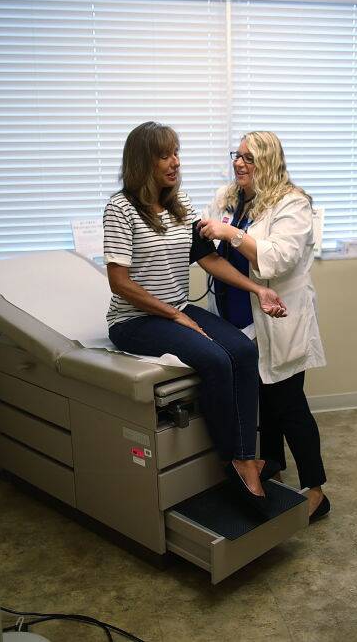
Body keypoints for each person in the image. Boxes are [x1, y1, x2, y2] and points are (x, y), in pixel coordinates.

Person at [104, 121, 287, 513]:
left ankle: (245, 454)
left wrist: (258, 289)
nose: (175, 162)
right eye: (165, 155)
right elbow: (119, 282)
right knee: (217, 358)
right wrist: (175, 315)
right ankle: (237, 461)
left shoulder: (180, 204)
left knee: (243, 350)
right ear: (143, 161)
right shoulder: (120, 209)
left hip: (176, 309)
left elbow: (208, 258)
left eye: (176, 153)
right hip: (134, 321)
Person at [198, 131, 330, 521]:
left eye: (249, 158)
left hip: (276, 319)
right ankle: (271, 463)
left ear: (269, 161)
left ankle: (317, 491)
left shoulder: (293, 203)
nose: (239, 163)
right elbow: (205, 237)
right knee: (260, 402)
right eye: (237, 156)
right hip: (233, 316)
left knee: (289, 406)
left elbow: (279, 257)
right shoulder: (228, 197)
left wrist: (232, 234)